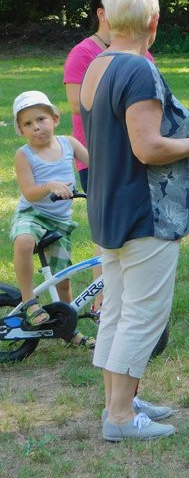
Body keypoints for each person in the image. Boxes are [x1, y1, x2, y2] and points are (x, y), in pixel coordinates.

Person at [79, 0, 189, 441]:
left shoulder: (97, 64)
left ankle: (120, 401)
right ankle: (119, 418)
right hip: (144, 211)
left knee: (118, 309)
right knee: (142, 314)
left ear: (110, 18)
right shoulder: (138, 70)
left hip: (108, 204)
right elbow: (148, 147)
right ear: (153, 22)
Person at [64, 0, 156, 319]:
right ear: (102, 14)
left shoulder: (142, 52)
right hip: (95, 154)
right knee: (109, 236)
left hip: (131, 152)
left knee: (130, 239)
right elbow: (76, 102)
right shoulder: (84, 52)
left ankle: (121, 301)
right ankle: (104, 301)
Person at [10, 90, 93, 347]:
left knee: (63, 281)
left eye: (41, 119)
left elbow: (96, 164)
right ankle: (30, 301)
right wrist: (49, 186)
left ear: (55, 118)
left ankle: (69, 329)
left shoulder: (69, 143)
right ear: (22, 131)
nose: (36, 127)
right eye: (28, 124)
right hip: (33, 214)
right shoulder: (24, 155)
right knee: (23, 241)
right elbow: (29, 193)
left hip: (60, 223)